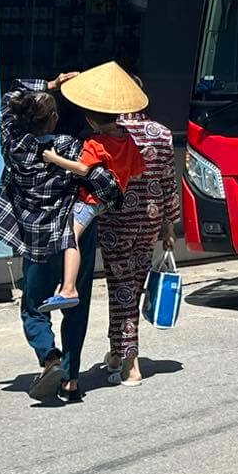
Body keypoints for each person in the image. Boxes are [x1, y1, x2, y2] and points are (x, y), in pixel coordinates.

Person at [0, 74, 121, 403]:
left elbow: (9, 99)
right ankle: (71, 380)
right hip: (73, 239)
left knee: (33, 309)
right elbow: (107, 184)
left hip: (36, 241)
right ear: (54, 119)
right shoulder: (70, 147)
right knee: (77, 307)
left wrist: (51, 84)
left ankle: (49, 358)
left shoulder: (13, 146)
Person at [37, 64, 148, 314]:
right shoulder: (126, 138)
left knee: (70, 236)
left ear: (90, 120)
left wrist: (53, 158)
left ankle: (68, 288)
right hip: (111, 197)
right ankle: (67, 286)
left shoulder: (95, 142)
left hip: (91, 199)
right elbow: (138, 171)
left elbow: (83, 169)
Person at [100, 90, 179, 386]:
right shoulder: (162, 133)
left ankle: (130, 362)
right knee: (132, 287)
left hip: (116, 218)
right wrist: (169, 227)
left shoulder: (110, 132)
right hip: (151, 216)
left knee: (119, 287)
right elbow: (169, 180)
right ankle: (116, 350)